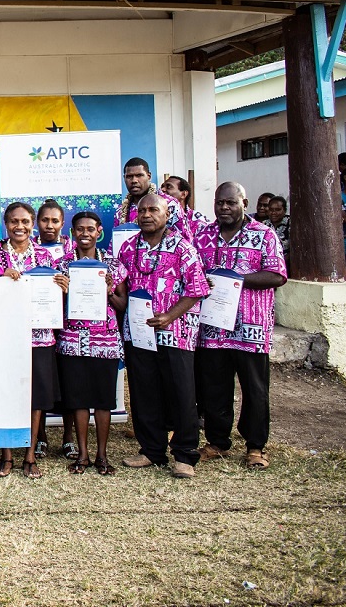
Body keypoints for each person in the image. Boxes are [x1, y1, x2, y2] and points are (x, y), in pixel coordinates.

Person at [195, 183, 287, 470]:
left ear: (243, 203)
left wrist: (236, 280)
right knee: (213, 387)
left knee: (255, 388)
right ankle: (218, 441)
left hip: (251, 327)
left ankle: (256, 446)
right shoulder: (203, 236)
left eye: (230, 203)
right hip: (213, 328)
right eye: (219, 202)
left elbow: (277, 274)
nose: (224, 207)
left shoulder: (263, 234)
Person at [118, 193, 209, 479]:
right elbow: (119, 283)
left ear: (166, 214)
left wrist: (170, 315)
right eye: (141, 210)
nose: (146, 215)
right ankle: (151, 450)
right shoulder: (128, 248)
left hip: (175, 333)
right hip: (139, 333)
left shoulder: (183, 248)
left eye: (153, 210)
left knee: (181, 394)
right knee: (144, 393)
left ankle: (184, 454)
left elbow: (197, 289)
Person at [0, 202, 67, 479]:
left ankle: (30, 454)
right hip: (5, 337)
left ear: (32, 223)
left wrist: (63, 287)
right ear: (6, 223)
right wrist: (0, 278)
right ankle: (7, 455)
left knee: (35, 398)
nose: (19, 227)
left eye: (25, 221)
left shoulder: (49, 257)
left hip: (40, 338)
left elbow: (60, 295)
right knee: (9, 395)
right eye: (14, 221)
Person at [56, 212, 128, 476]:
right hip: (71, 341)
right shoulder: (62, 265)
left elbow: (122, 306)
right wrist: (61, 291)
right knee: (77, 399)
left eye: (90, 229)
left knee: (103, 400)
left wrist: (109, 291)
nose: (85, 234)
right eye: (79, 229)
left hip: (104, 341)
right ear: (72, 232)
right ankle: (83, 455)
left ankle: (102, 455)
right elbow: (53, 307)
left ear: (99, 231)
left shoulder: (113, 265)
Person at [32, 198, 76, 460]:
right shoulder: (32, 251)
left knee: (68, 383)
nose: (49, 225)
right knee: (42, 383)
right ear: (38, 222)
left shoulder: (73, 251)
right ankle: (42, 437)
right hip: (42, 327)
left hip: (69, 327)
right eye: (44, 220)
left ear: (62, 223)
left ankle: (69, 438)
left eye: (55, 221)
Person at [115, 157, 190, 241]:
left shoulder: (169, 204)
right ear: (124, 178)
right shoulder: (120, 211)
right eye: (129, 176)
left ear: (149, 176)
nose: (134, 180)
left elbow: (184, 239)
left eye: (139, 175)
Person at [264, 195, 291, 261]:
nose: (273, 213)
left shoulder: (290, 223)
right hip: (267, 263)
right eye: (271, 210)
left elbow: (296, 249)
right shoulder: (263, 225)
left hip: (287, 263)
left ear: (284, 210)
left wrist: (280, 261)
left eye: (278, 210)